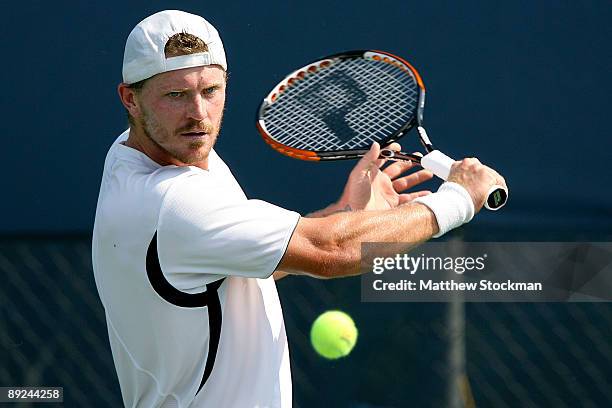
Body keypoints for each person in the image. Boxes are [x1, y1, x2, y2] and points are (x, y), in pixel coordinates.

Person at [92, 9, 507, 408]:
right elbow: (331, 253)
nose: (198, 114)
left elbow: (240, 258)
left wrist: (344, 213)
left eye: (210, 91)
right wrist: (457, 200)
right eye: (175, 95)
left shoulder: (148, 154)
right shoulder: (172, 200)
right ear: (130, 98)